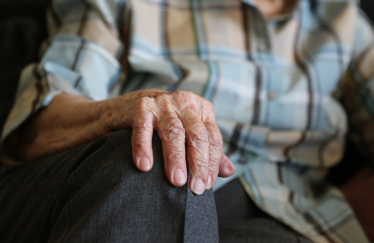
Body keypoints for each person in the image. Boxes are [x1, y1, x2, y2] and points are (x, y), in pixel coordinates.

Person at [0, 0, 373, 242]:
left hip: (291, 216)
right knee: (158, 147)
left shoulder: (342, 19)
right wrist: (131, 110)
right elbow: (37, 123)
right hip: (127, 193)